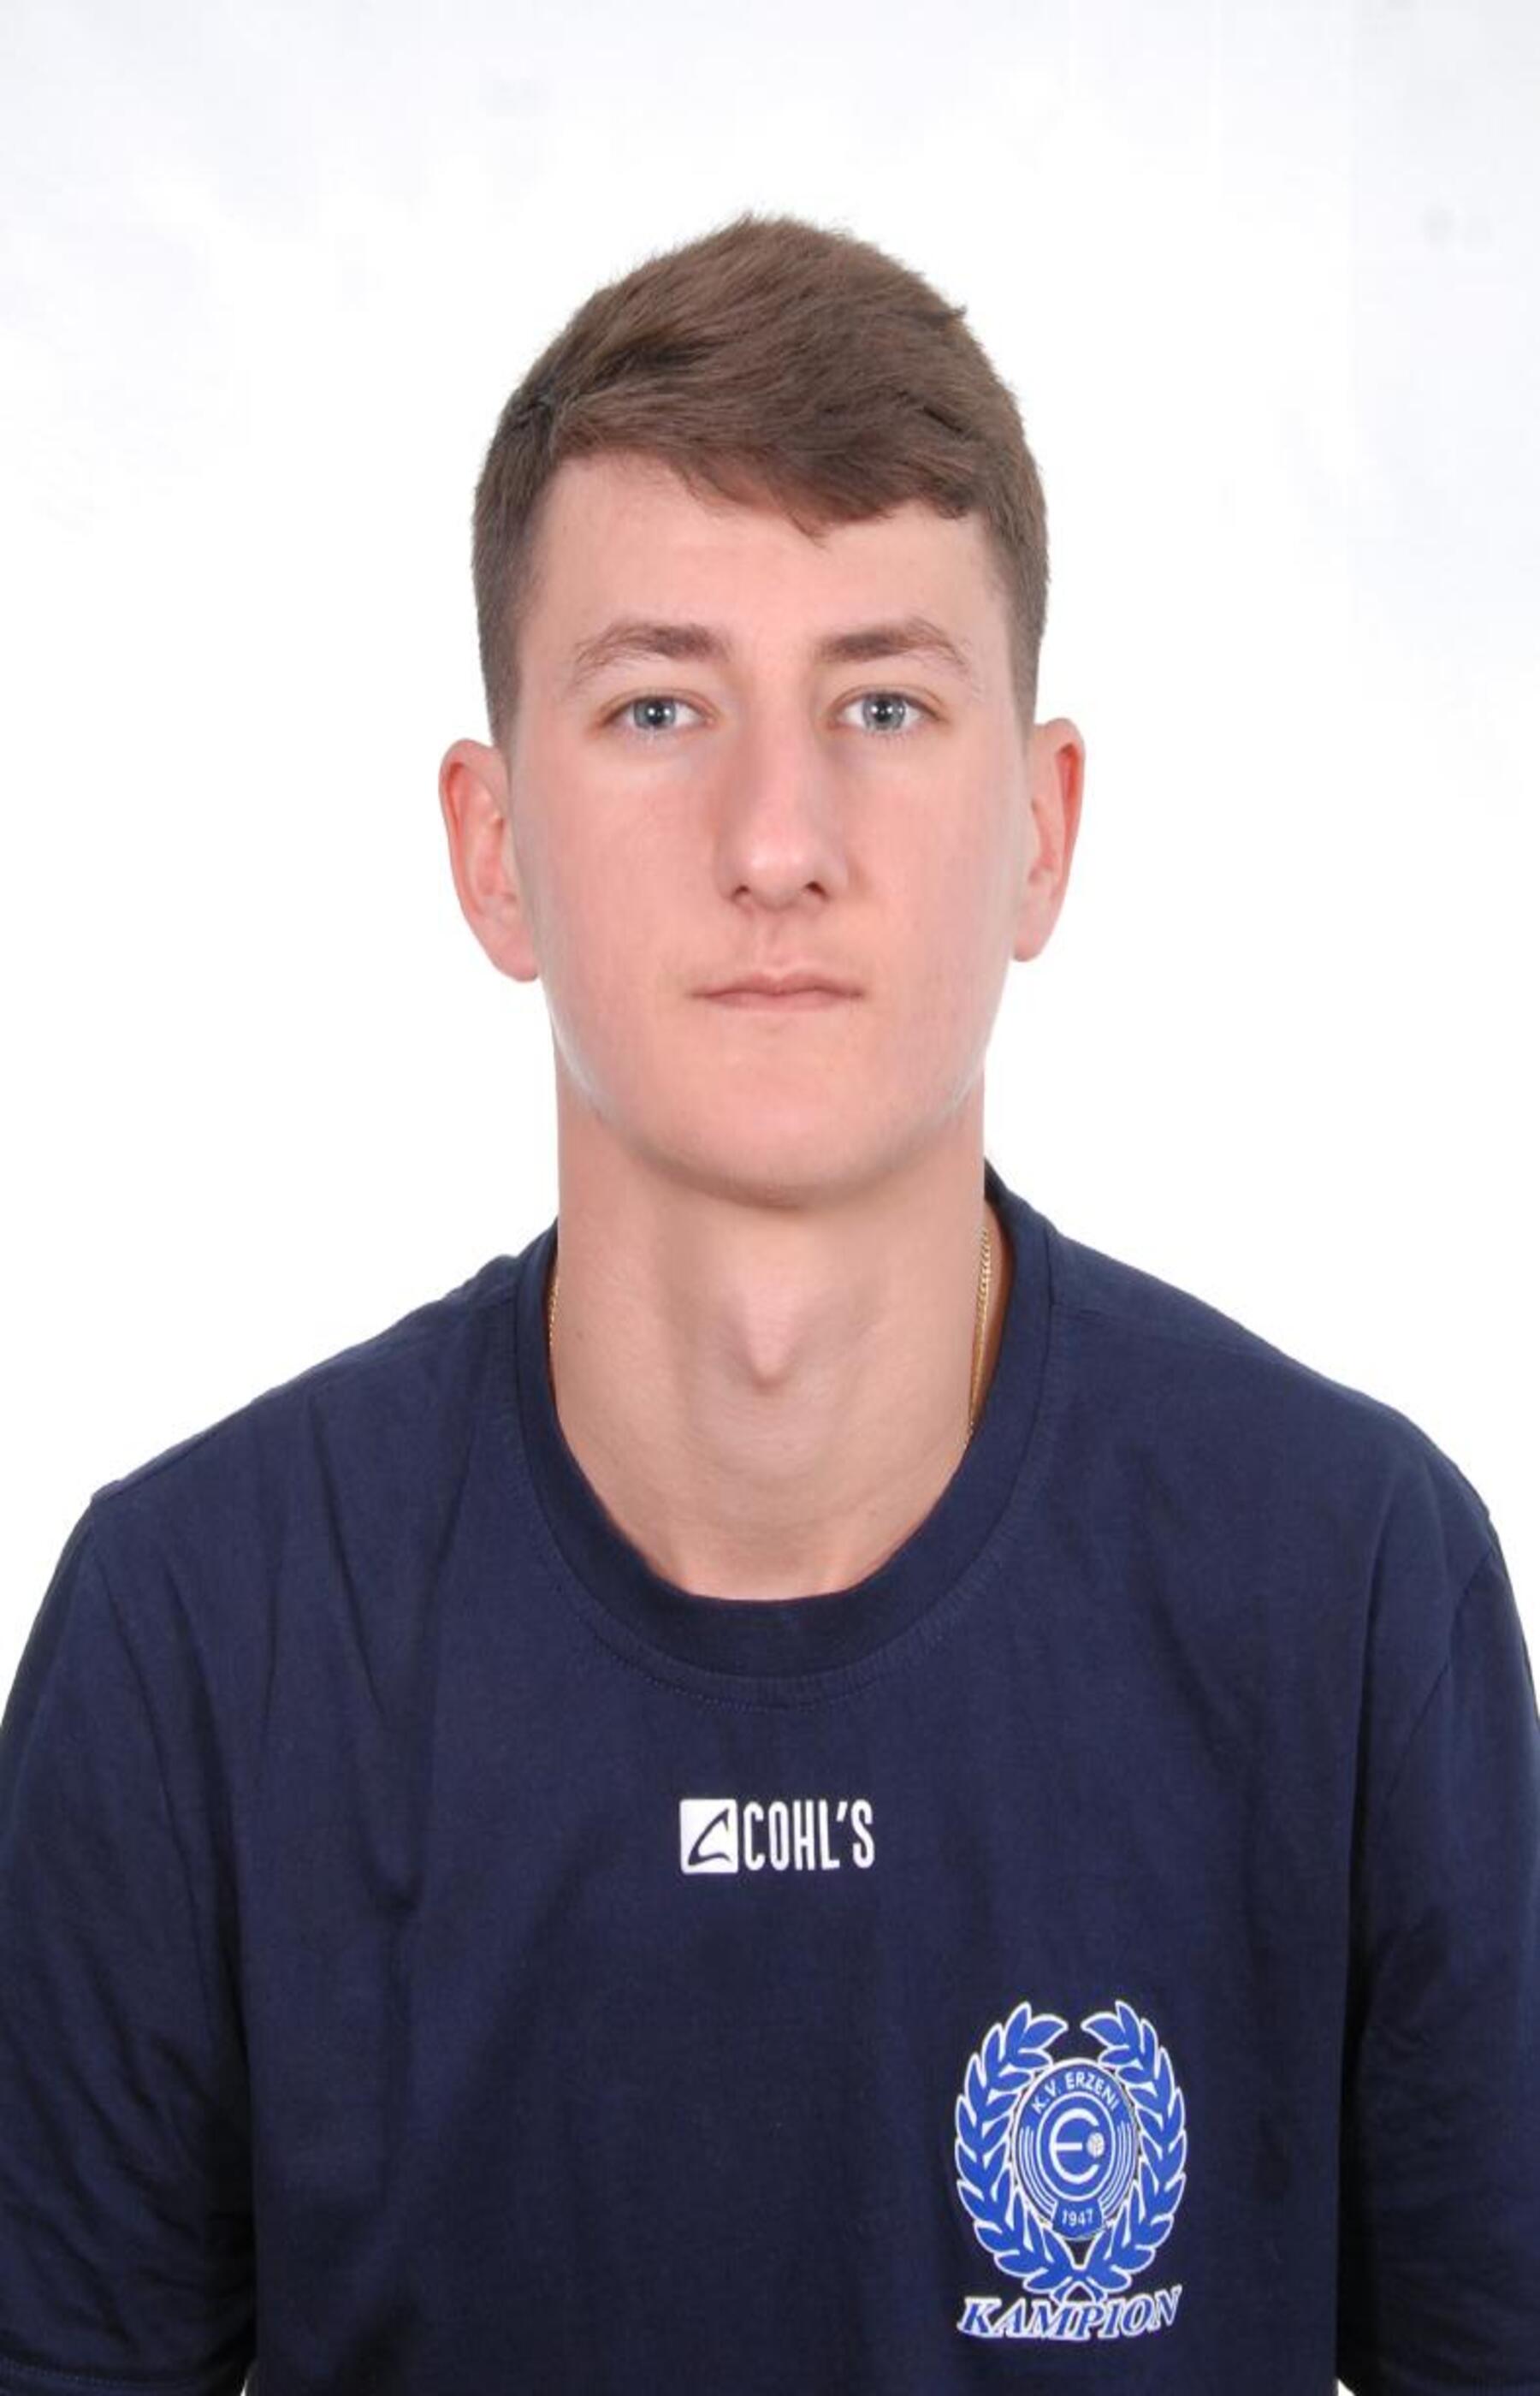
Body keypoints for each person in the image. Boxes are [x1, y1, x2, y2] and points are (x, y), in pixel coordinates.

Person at [1, 210, 1536, 2396]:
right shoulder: (193, 1638)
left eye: (883, 702)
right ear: (493, 846)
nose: (778, 838)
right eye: (659, 706)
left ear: (1044, 828)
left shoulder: (1355, 1589)